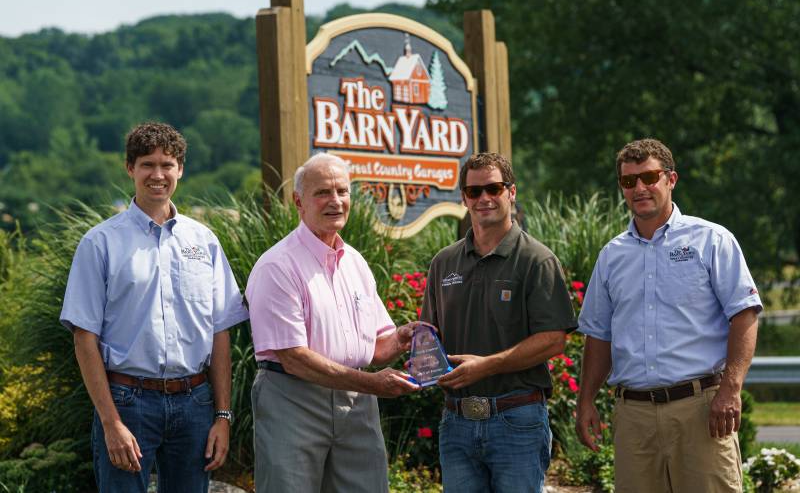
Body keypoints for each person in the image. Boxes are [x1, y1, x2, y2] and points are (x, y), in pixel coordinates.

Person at [60, 122, 249, 493]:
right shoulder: (100, 243)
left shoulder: (205, 241)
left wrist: (222, 416)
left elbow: (220, 332)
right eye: (147, 164)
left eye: (167, 164)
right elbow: (84, 338)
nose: (157, 175)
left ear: (181, 169)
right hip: (127, 403)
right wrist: (110, 423)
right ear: (130, 168)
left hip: (195, 403)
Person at [576, 138, 762, 492]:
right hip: (634, 418)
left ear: (671, 179)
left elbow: (745, 313)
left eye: (650, 177)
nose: (640, 188)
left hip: (700, 410)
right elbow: (599, 334)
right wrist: (585, 401)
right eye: (629, 181)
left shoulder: (711, 240)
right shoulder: (611, 256)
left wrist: (731, 389)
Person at [246, 153, 423, 493]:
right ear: (299, 201)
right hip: (293, 399)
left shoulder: (354, 262)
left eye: (342, 191)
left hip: (357, 405)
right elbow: (294, 358)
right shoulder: (277, 266)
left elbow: (375, 346)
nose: (335, 201)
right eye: (323, 192)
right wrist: (373, 384)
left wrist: (402, 338)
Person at [421, 152, 577, 492]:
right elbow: (429, 337)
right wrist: (420, 354)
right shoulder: (444, 263)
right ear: (463, 197)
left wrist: (487, 366)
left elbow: (554, 339)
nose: (484, 199)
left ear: (512, 192)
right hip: (457, 421)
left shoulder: (536, 260)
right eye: (474, 192)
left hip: (516, 420)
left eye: (494, 188)